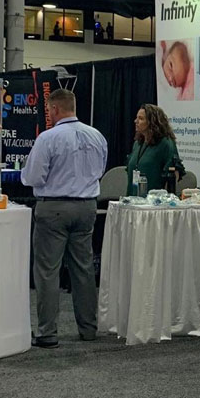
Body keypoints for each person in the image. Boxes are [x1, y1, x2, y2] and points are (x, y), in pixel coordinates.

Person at [20, 88, 108, 348]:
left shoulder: (48, 138)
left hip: (54, 207)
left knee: (48, 271)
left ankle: (47, 333)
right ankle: (88, 329)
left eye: (49, 109)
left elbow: (33, 177)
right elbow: (100, 170)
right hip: (87, 207)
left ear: (55, 109)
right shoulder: (97, 136)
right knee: (83, 268)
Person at [126, 104, 185, 196]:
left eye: (141, 118)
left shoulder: (166, 144)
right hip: (133, 199)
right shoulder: (137, 144)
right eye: (136, 118)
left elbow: (173, 175)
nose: (135, 121)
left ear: (152, 122)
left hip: (154, 201)